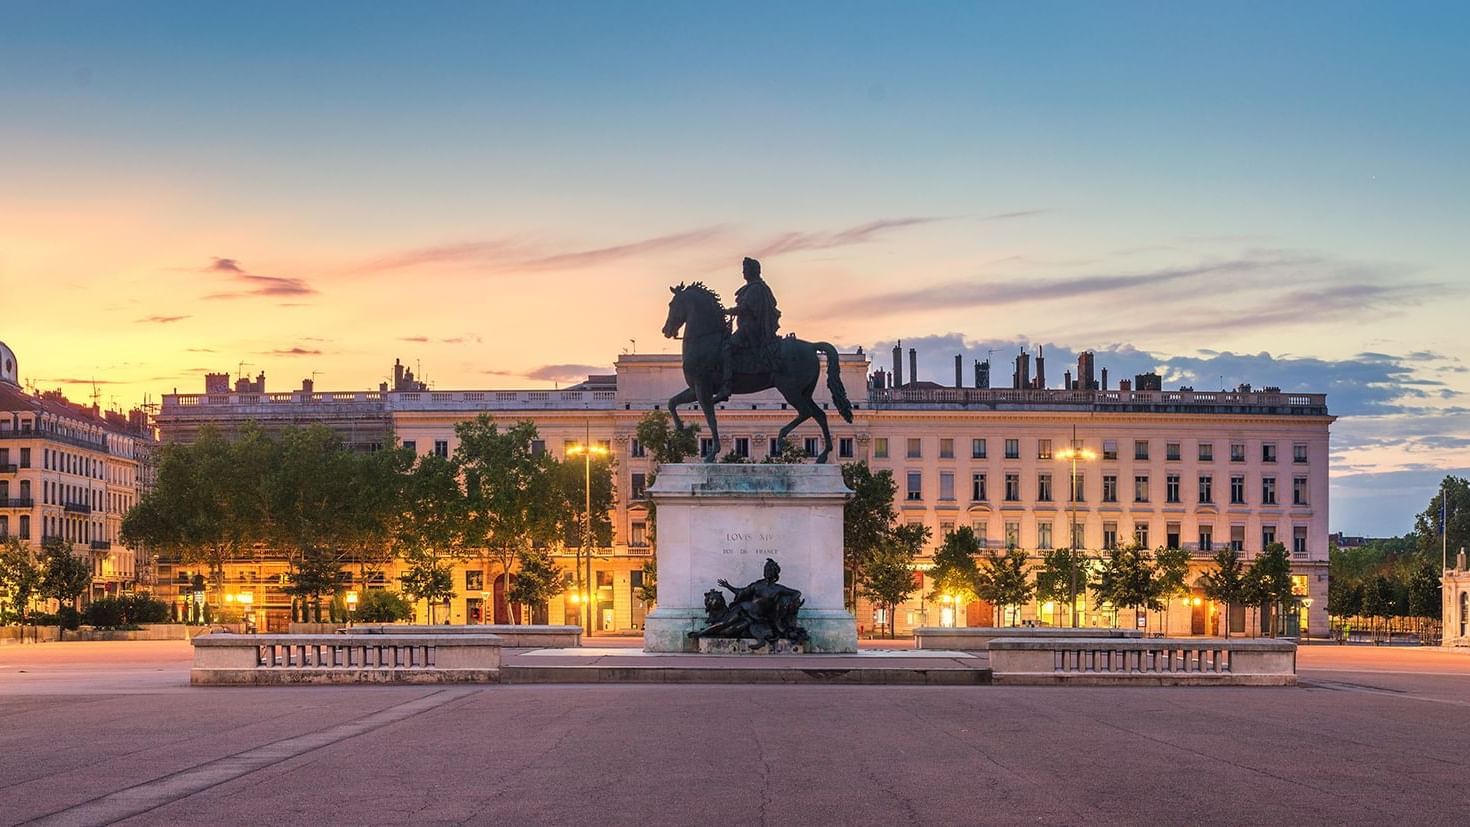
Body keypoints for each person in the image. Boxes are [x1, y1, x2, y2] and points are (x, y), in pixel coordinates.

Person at [717, 256, 781, 400]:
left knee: (726, 348)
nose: (743, 273)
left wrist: (727, 311)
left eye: (745, 269)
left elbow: (746, 308)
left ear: (753, 271)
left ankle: (727, 384)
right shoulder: (756, 288)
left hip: (750, 330)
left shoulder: (756, 288)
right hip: (748, 327)